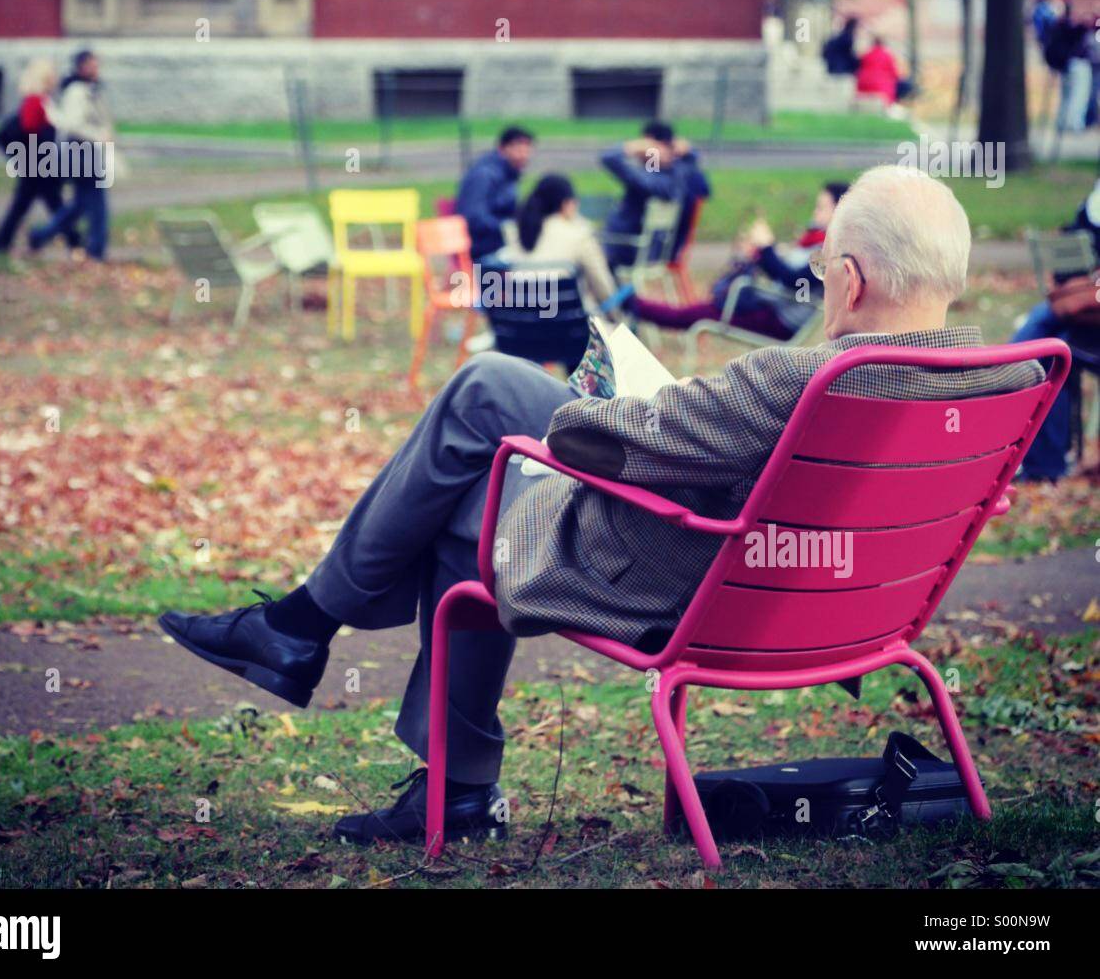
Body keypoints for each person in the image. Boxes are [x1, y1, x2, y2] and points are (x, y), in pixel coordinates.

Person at [158, 165, 1042, 846]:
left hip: (683, 583)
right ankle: (319, 645)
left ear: (847, 281)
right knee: (485, 413)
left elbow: (602, 445)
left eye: (820, 275)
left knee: (473, 457)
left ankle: (318, 638)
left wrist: (601, 397)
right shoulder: (1005, 378)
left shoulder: (804, 376)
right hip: (839, 606)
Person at [624, 181, 849, 341]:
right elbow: (787, 274)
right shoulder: (818, 243)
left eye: (820, 207)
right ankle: (632, 305)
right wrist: (761, 253)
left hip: (776, 318)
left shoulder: (829, 250)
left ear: (838, 211)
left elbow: (795, 281)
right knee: (697, 311)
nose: (814, 212)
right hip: (768, 306)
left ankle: (631, 305)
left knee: (693, 316)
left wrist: (767, 248)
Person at [1009, 177, 1100, 482]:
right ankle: (1038, 462)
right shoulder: (1094, 200)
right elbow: (1080, 231)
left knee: (1045, 347)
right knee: (1038, 345)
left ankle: (1042, 464)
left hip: (1089, 308)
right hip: (1084, 306)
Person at [27, 50, 117, 260]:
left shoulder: (91, 90)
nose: (96, 70)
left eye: (97, 65)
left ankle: (40, 236)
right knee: (97, 204)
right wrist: (98, 136)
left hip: (87, 152)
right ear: (80, 67)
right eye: (91, 65)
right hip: (80, 152)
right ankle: (96, 250)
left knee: (80, 205)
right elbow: (72, 124)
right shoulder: (77, 92)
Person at [0, 59, 80, 253]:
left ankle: (2, 243)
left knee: (29, 205)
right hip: (38, 166)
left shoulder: (43, 100)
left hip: (39, 166)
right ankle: (74, 241)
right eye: (52, 75)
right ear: (45, 78)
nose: (56, 79)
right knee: (52, 204)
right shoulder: (35, 101)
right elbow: (30, 129)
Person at [599, 122, 711, 270]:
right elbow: (704, 187)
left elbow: (608, 158)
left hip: (631, 249)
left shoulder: (651, 181)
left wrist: (632, 147)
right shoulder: (682, 174)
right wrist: (689, 153)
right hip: (660, 249)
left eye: (646, 144)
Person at [498, 174, 617, 310]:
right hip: (570, 326)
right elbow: (603, 287)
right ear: (566, 204)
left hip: (520, 325)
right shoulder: (579, 234)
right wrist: (619, 319)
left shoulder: (516, 232)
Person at [455, 126, 535, 261]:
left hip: (497, 241)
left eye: (527, 151)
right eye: (519, 150)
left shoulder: (508, 174)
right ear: (502, 149)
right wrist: (507, 228)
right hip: (481, 246)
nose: (524, 155)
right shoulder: (484, 174)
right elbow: (473, 217)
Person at [855, 36, 912, 107]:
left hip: (864, 86)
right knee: (906, 85)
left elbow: (858, 69)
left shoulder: (866, 55)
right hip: (881, 88)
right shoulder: (887, 56)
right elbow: (895, 73)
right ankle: (898, 105)